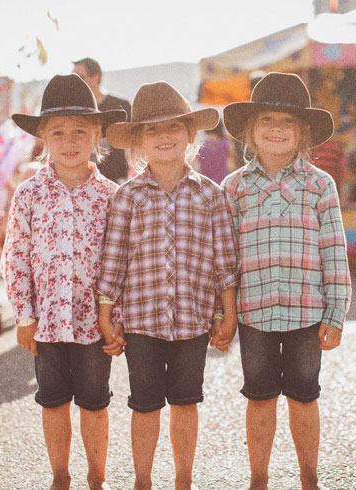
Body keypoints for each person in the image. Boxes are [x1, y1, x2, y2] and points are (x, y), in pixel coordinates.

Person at [97, 81, 238, 490]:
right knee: (144, 405)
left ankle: (183, 480)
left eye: (173, 127)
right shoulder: (127, 196)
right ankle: (142, 480)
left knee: (186, 403)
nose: (164, 137)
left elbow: (223, 262)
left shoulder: (211, 196)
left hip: (193, 322)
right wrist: (107, 315)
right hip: (141, 322)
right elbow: (114, 261)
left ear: (190, 135)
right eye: (153, 130)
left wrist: (226, 314)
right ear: (139, 141)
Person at [222, 72, 352, 490]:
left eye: (287, 122)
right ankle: (258, 478)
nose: (276, 130)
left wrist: (335, 313)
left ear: (303, 134)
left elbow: (334, 252)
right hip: (253, 312)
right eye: (267, 121)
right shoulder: (234, 187)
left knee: (304, 396)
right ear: (250, 131)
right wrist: (221, 314)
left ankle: (308, 478)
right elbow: (223, 260)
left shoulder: (319, 185)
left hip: (307, 311)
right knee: (258, 397)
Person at [1, 74, 126, 490]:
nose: (69, 141)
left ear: (96, 134)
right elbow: (15, 255)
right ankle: (60, 475)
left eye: (79, 132)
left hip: (95, 322)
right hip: (48, 319)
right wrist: (24, 314)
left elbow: (121, 262)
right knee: (52, 401)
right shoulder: (29, 194)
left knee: (95, 400)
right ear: (43, 137)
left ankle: (97, 476)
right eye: (58, 133)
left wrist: (118, 317)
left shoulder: (112, 195)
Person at [73, 57, 132, 183]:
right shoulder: (73, 112)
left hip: (116, 179)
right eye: (73, 79)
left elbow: (135, 142)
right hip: (84, 181)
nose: (76, 83)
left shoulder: (120, 105)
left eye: (80, 78)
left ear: (96, 78)